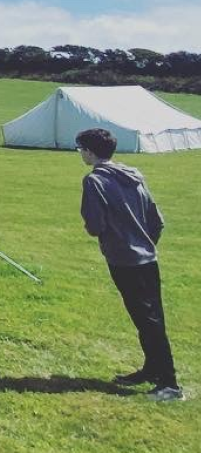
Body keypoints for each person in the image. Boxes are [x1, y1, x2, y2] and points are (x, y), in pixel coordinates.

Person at [76, 128, 183, 401]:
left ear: (89, 151)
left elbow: (95, 225)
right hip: (147, 258)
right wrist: (145, 242)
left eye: (81, 149)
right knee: (149, 317)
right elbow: (156, 220)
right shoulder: (135, 175)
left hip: (124, 260)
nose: (80, 154)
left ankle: (169, 384)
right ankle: (152, 369)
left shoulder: (94, 181)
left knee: (148, 322)